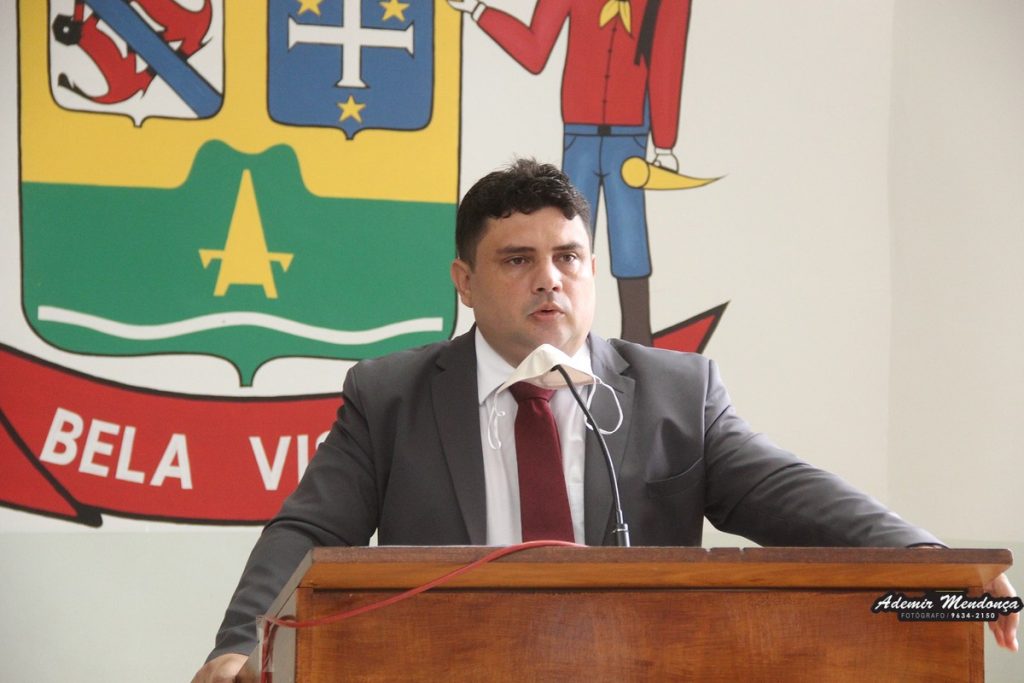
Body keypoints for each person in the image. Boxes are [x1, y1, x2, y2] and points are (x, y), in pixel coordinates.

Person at [192, 160, 1017, 683]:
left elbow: (789, 493)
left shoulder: (676, 391)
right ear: (465, 282)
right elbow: (311, 528)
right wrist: (238, 644)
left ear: (591, 268)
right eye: (518, 260)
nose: (549, 279)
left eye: (568, 257)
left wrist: (932, 562)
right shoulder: (392, 396)